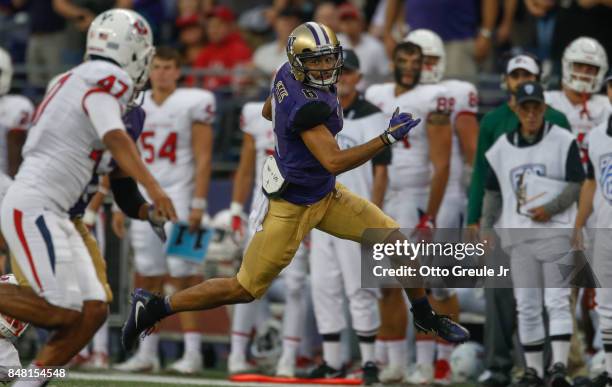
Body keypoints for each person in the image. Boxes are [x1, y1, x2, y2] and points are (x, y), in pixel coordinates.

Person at [120, 22, 470, 359]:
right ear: (299, 62)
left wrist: (289, 139)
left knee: (396, 241)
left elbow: (268, 109)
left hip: (326, 195)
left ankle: (424, 314)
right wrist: (386, 138)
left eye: (329, 57)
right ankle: (154, 308)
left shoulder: (285, 74)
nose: (325, 66)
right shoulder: (308, 105)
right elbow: (333, 160)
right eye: (315, 60)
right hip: (292, 206)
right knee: (243, 288)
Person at [0, 9, 176, 386]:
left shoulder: (89, 85)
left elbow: (121, 182)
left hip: (60, 212)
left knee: (94, 310)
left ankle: (24, 381)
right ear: (131, 50)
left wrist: (149, 211)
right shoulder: (105, 77)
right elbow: (113, 136)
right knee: (60, 311)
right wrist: (158, 188)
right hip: (37, 202)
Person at [467, 53, 570, 387]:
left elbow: (567, 177)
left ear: (540, 79)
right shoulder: (492, 122)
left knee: (541, 297)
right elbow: (482, 175)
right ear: (506, 82)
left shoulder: (557, 120)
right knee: (498, 294)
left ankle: (539, 368)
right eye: (516, 75)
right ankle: (498, 367)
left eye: (527, 74)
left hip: (545, 226)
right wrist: (476, 220)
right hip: (503, 223)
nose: (520, 80)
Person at [113, 46, 215, 375]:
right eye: (156, 66)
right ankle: (147, 353)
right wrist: (122, 202)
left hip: (181, 198)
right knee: (146, 275)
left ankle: (194, 350)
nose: (161, 72)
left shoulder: (193, 103)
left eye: (168, 66)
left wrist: (199, 202)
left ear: (178, 70)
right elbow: (121, 159)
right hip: (145, 200)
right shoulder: (135, 104)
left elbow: (203, 157)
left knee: (187, 275)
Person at [482, 81, 584, 387]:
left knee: (556, 300)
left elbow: (576, 183)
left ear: (544, 108)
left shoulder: (563, 140)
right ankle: (535, 370)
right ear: (516, 108)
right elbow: (492, 190)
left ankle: (559, 368)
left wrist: (552, 208)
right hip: (519, 236)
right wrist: (487, 225)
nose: (530, 113)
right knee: (526, 303)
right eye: (525, 107)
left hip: (554, 232)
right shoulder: (501, 147)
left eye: (536, 107)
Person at [364, 40, 452, 384]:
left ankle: (427, 363)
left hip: (415, 194)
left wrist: (429, 214)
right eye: (404, 59)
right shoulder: (377, 93)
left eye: (416, 60)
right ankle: (397, 362)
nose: (410, 66)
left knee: (420, 282)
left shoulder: (434, 98)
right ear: (394, 61)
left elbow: (442, 165)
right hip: (384, 192)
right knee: (384, 283)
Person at [306, 49, 390, 385]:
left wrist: (374, 216)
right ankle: (332, 360)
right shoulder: (316, 109)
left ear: (359, 77)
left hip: (356, 212)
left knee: (359, 288)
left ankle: (369, 362)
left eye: (350, 73)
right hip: (321, 210)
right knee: (323, 285)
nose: (344, 78)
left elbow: (383, 171)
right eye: (341, 72)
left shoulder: (374, 116)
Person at [403, 28, 479, 385]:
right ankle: (421, 362)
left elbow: (472, 151)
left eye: (431, 59)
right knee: (413, 280)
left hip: (447, 194)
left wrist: (474, 204)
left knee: (441, 283)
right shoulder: (398, 92)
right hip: (410, 193)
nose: (426, 66)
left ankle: (444, 362)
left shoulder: (456, 93)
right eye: (421, 59)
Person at [227, 97, 309, 378]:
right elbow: (246, 167)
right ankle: (236, 355)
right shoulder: (255, 113)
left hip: (299, 209)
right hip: (261, 210)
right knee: (246, 281)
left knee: (296, 286)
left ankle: (288, 358)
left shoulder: (312, 113)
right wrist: (236, 210)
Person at [573, 73, 612, 387]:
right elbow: (591, 182)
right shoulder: (596, 136)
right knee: (607, 305)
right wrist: (578, 223)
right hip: (603, 229)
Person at [336, 3, 390, 91]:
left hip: (368, 97)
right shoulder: (333, 43)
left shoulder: (375, 47)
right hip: (341, 94)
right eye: (344, 20)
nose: (348, 23)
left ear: (362, 23)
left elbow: (387, 77)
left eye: (352, 19)